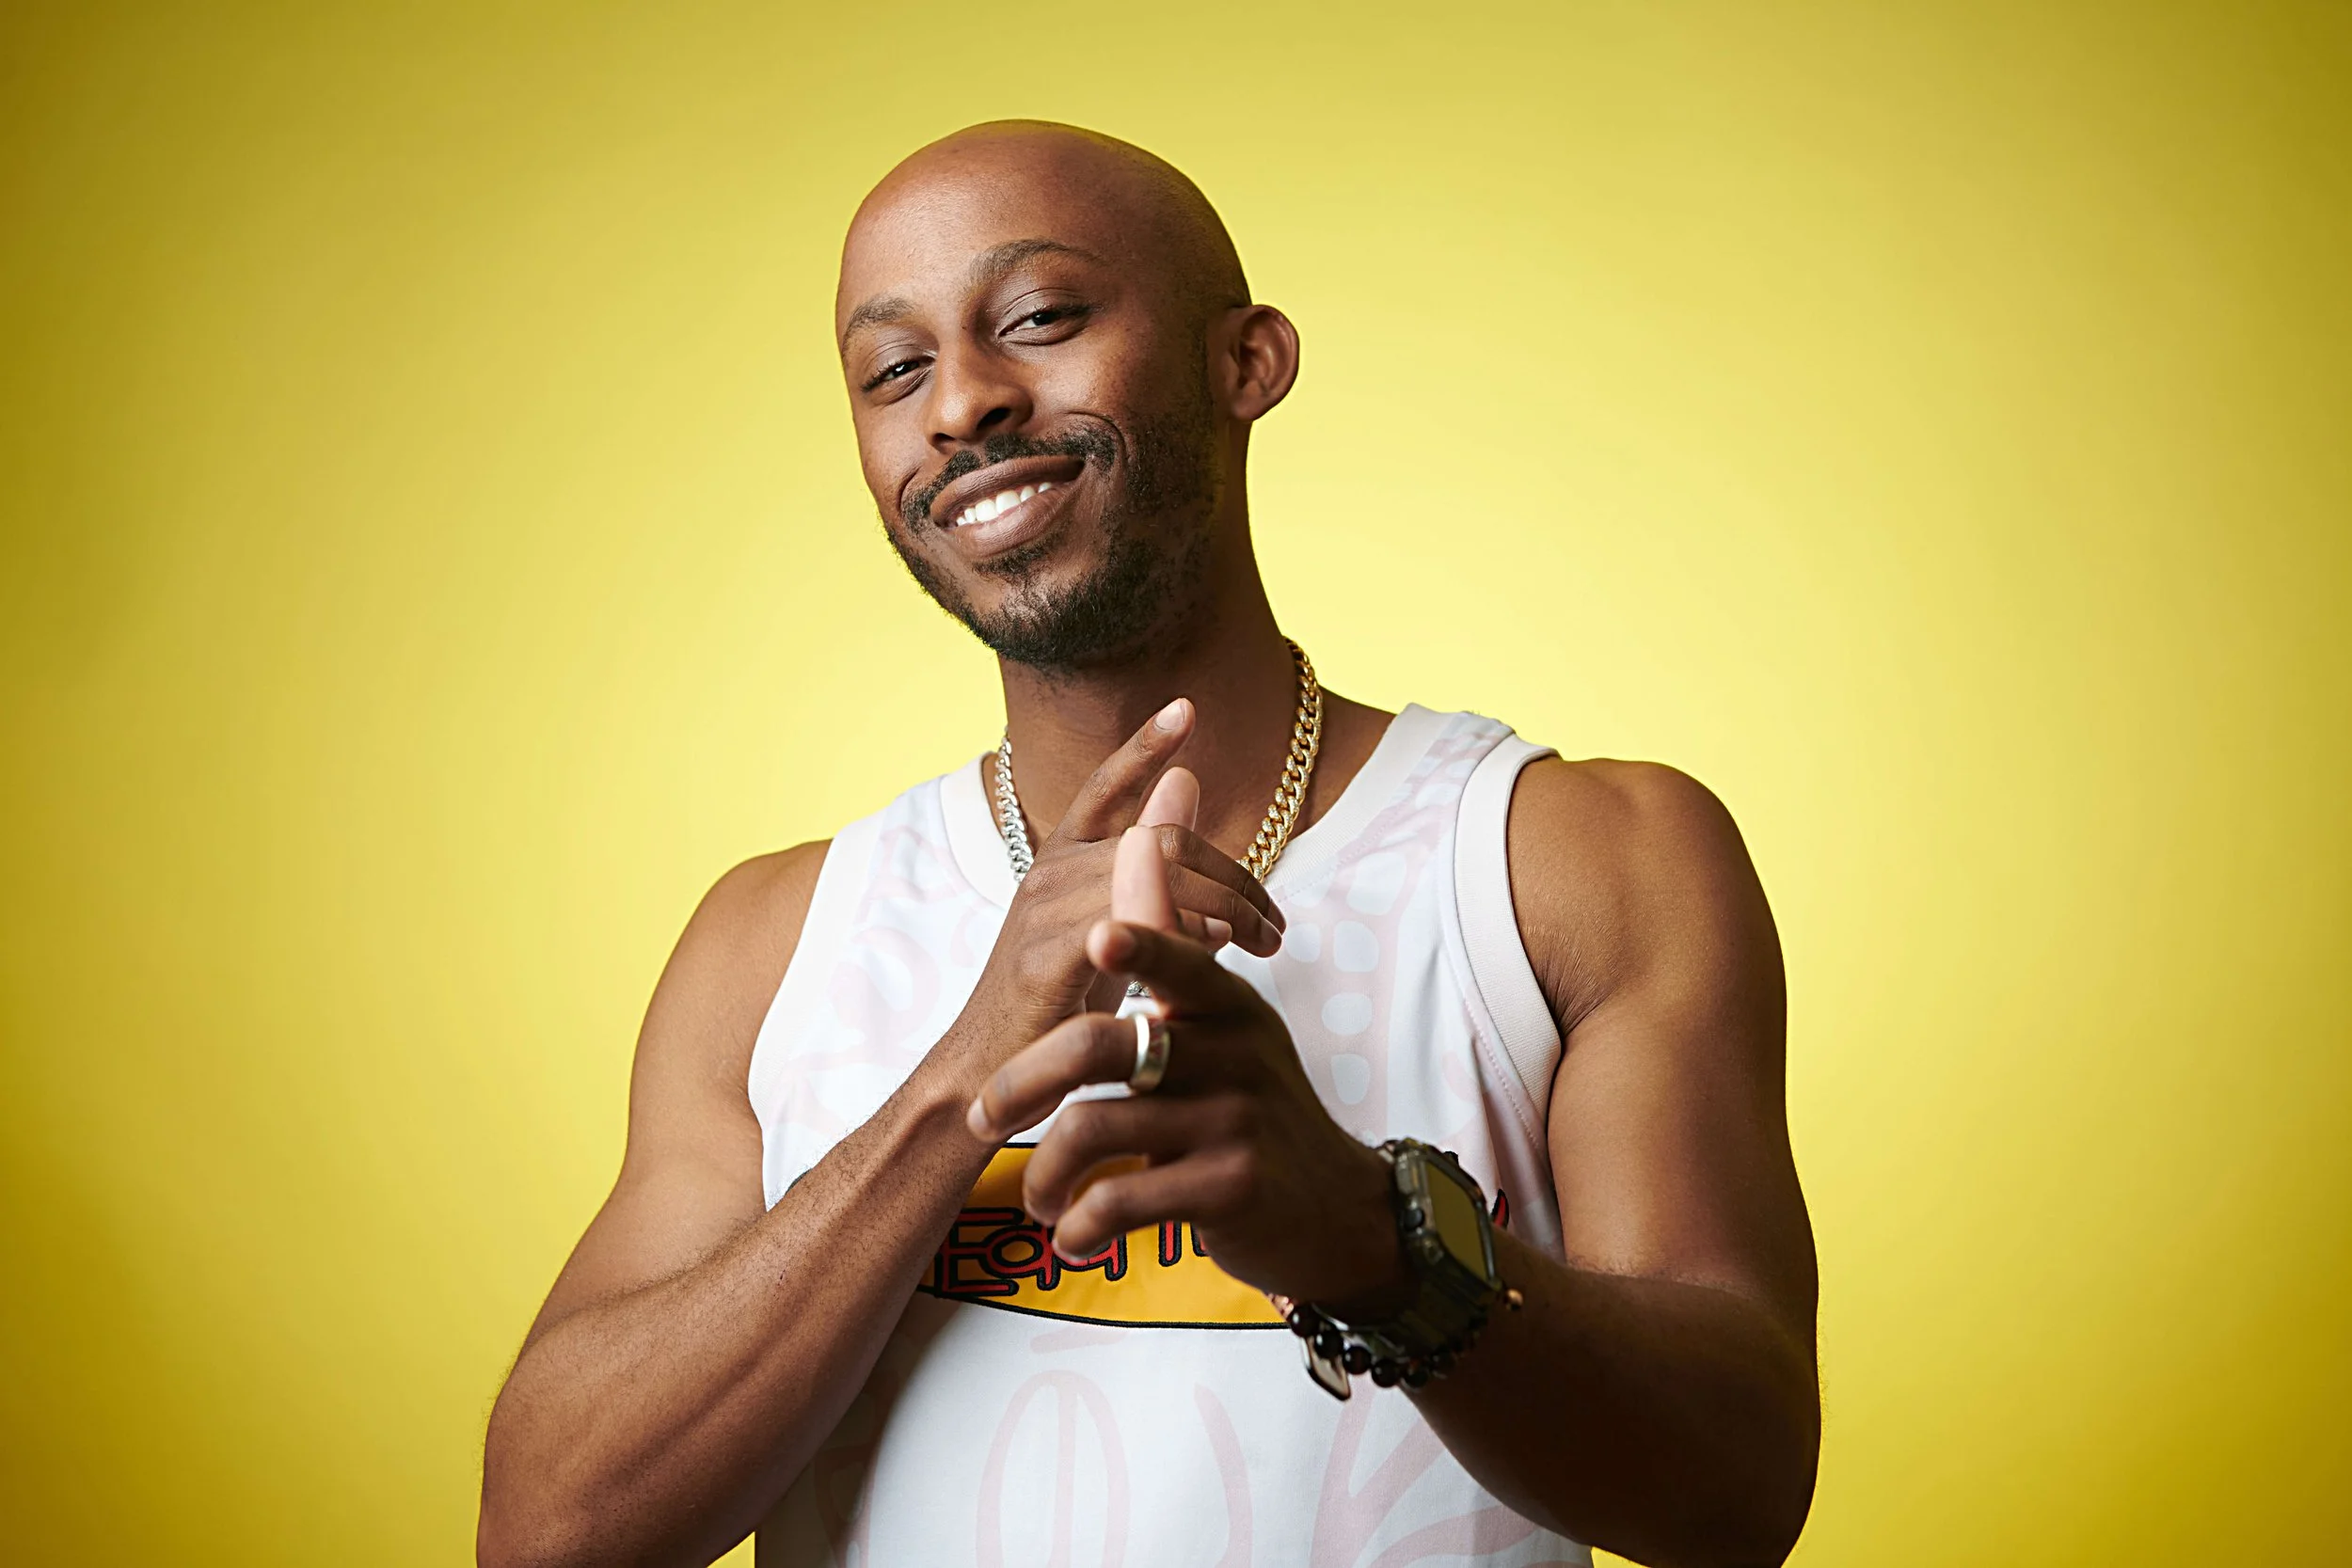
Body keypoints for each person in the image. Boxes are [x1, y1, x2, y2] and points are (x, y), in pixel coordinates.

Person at [478, 120, 1820, 1568]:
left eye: (1040, 319)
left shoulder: (1572, 862)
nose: (965, 406)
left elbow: (1737, 1494)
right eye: (895, 370)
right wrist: (956, 1087)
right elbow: (551, 1533)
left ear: (1246, 360)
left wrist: (1372, 1241)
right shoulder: (770, 942)